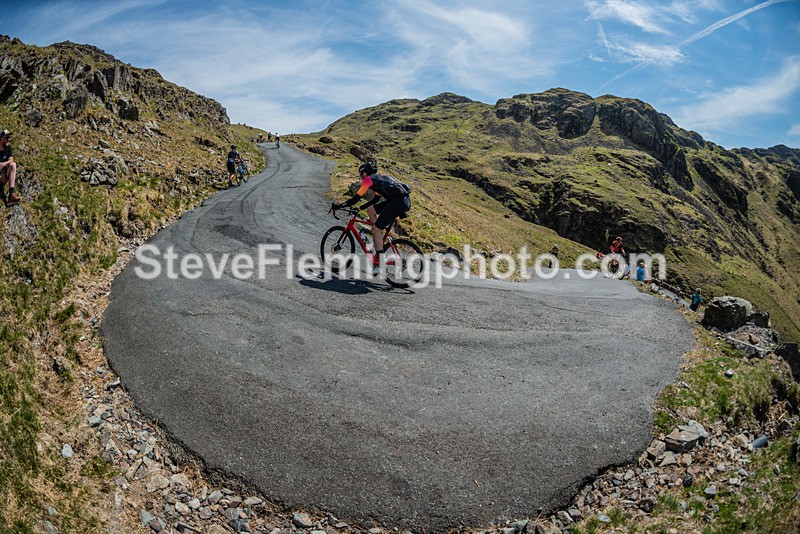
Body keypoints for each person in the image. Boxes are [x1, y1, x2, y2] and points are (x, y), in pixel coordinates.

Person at [332, 161, 411, 273]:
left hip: (398, 202)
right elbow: (375, 200)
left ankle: (380, 264)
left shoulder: (368, 180)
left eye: (362, 173)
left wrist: (340, 206)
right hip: (402, 200)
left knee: (375, 230)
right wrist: (360, 208)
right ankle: (377, 237)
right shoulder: (378, 180)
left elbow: (355, 199)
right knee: (371, 210)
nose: (362, 176)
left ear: (365, 173)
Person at [0, 130, 20, 206]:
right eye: (7, 138)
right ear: (2, 138)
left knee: (13, 165)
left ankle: (11, 194)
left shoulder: (8, 149)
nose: (8, 139)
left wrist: (3, 164)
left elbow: (11, 160)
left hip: (2, 177)